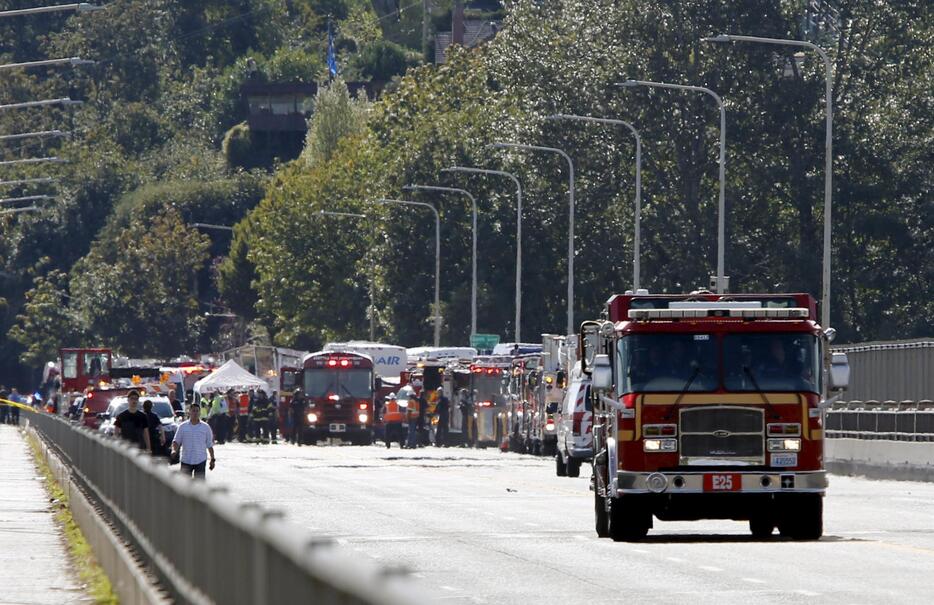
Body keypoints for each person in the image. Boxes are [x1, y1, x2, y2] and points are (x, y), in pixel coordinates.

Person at [172, 402, 215, 479]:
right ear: (189, 412)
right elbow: (176, 441)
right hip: (186, 460)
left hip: (200, 460)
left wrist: (212, 459)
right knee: (184, 485)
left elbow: (209, 444)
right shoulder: (183, 427)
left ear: (200, 412)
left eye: (197, 411)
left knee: (199, 486)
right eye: (193, 411)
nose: (195, 413)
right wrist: (174, 450)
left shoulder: (205, 427)